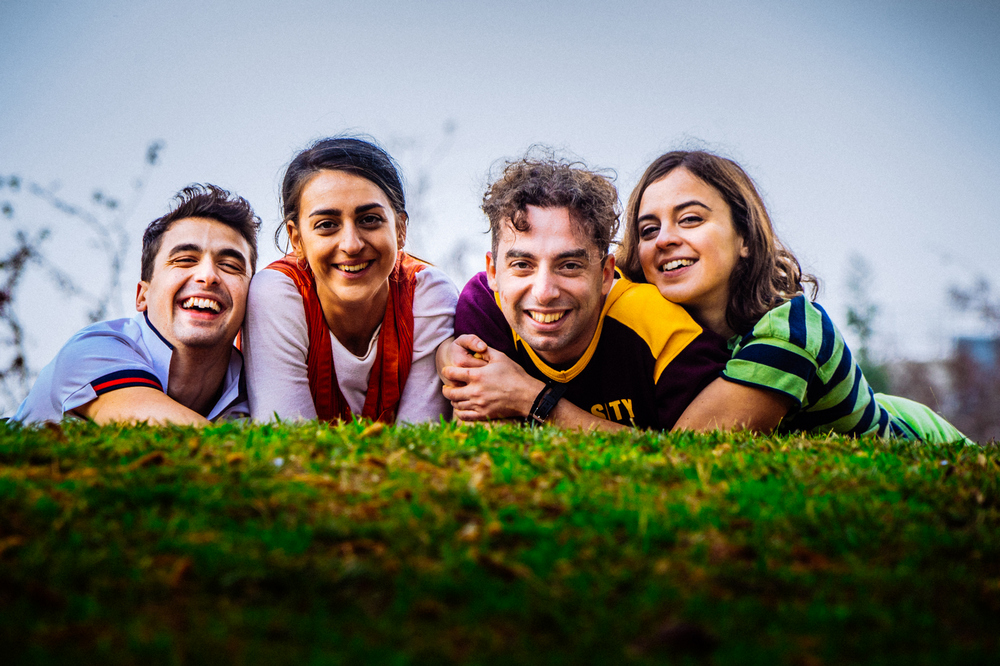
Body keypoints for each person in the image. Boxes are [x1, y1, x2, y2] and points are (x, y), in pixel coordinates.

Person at [616, 150, 971, 443]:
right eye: (649, 229)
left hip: (926, 440)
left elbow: (687, 449)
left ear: (745, 238)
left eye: (690, 219)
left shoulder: (793, 330)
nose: (664, 239)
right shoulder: (646, 337)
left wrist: (558, 408)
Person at [438, 155, 730, 431]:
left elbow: (691, 455)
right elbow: (484, 453)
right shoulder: (485, 308)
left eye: (569, 265)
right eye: (522, 264)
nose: (544, 292)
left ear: (605, 274)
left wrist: (533, 399)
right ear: (493, 272)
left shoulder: (659, 327)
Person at [243, 137, 457, 423]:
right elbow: (288, 436)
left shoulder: (427, 293)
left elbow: (419, 439)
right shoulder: (276, 293)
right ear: (297, 239)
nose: (351, 244)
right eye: (327, 225)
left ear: (400, 228)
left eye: (369, 219)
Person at [13, 184, 258, 425]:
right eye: (185, 260)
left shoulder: (259, 384)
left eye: (230, 266)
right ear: (143, 296)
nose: (208, 275)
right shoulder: (94, 351)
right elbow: (176, 436)